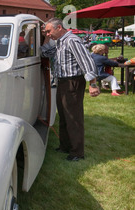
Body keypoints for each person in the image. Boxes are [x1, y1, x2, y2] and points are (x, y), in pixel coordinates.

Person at [41, 18, 99, 161]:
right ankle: (65, 146)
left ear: (59, 27)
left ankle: (77, 152)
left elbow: (86, 61)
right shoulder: (60, 42)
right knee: (63, 114)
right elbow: (43, 52)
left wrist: (92, 84)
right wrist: (43, 38)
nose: (47, 34)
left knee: (73, 117)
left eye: (49, 31)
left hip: (73, 82)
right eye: (46, 32)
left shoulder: (72, 40)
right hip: (62, 82)